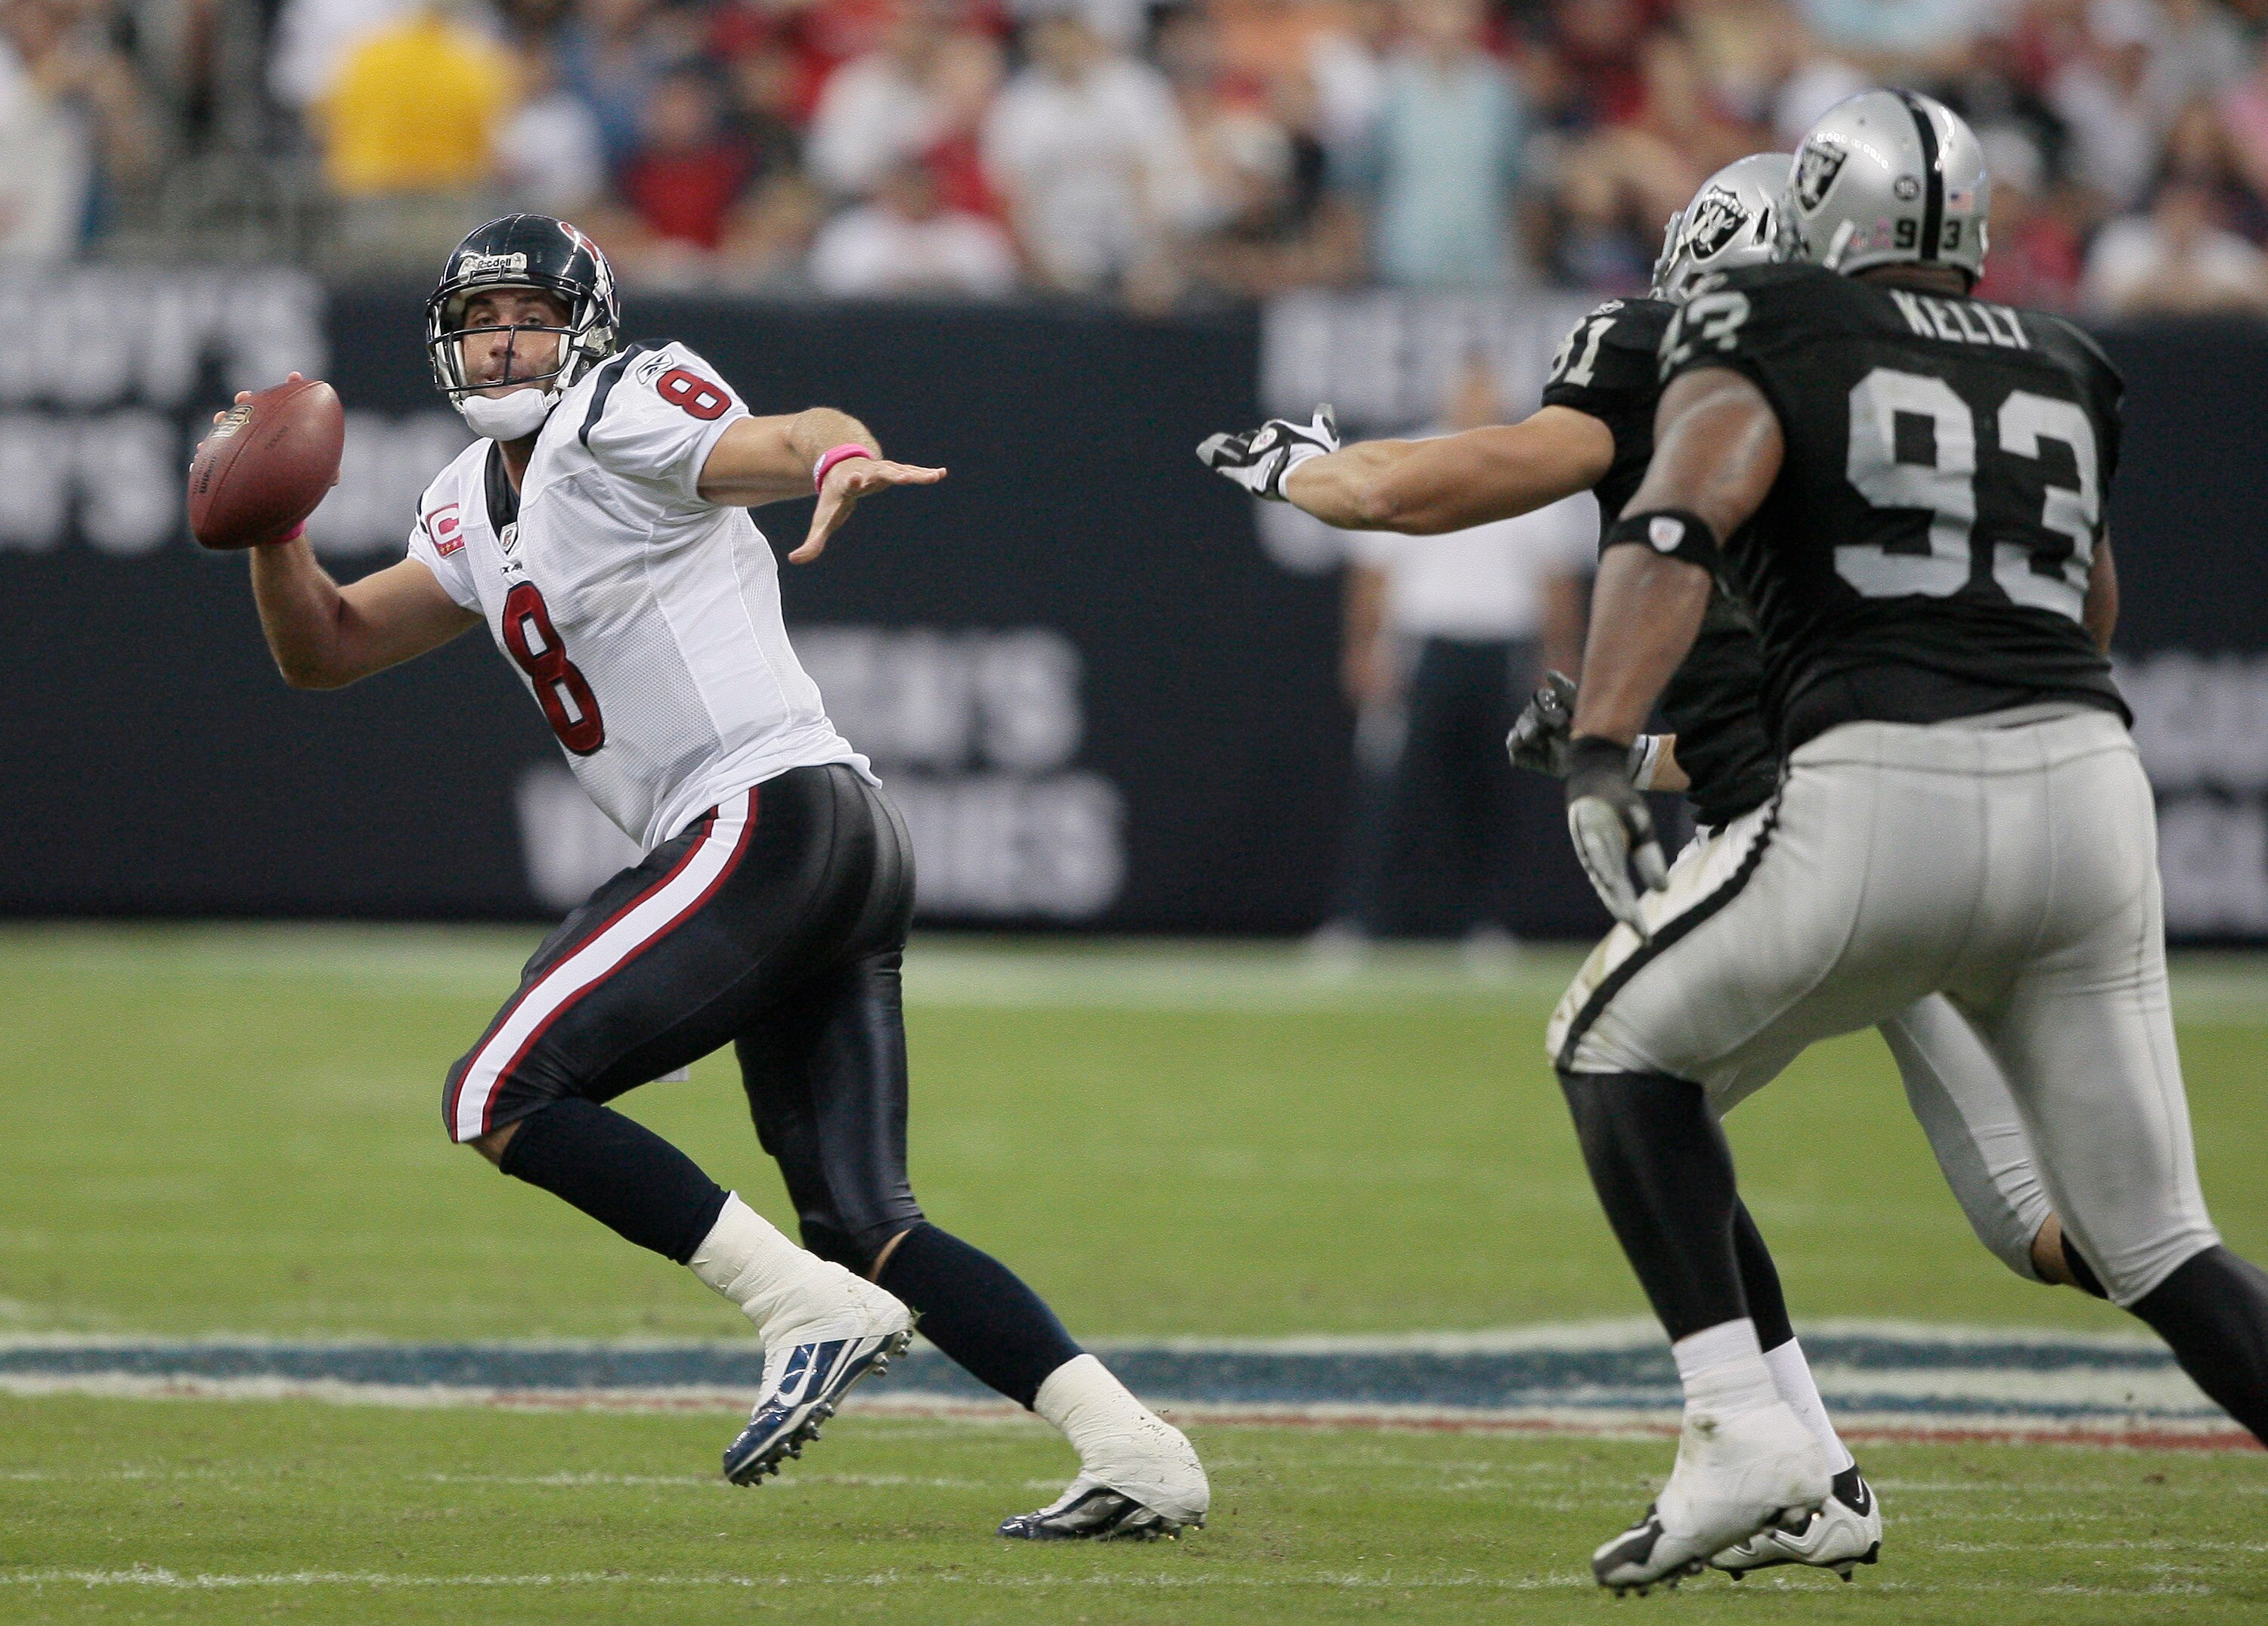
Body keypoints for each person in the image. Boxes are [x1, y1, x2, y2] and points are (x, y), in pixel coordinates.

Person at [1198, 150, 2111, 1584]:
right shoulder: (1880, 388)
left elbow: (1479, 476)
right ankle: (1817, 1469)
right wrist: (1636, 750)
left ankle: (1773, 1447)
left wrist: (1324, 473)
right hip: (1969, 801)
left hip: (1832, 834)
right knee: (2060, 1227)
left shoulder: (1680, 351)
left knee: (1642, 1081)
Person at [233, 214, 1208, 1541]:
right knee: (865, 1219)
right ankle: (1135, 1448)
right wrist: (272, 528)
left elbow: (791, 434)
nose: (503, 338)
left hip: (763, 812)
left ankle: (799, 1305)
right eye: (479, 321)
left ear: (585, 325)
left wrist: (843, 455)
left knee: (498, 1090)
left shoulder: (620, 407)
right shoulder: (465, 496)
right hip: (812, 837)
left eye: (526, 313)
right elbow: (330, 649)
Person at [1554, 90, 2268, 1590]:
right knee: (2159, 1244)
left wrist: (1606, 746)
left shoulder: (1775, 321)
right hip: (2087, 785)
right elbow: (2090, 607)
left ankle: (1752, 1428)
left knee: (1614, 1045)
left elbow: (1675, 523)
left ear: (1823, 211)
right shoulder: (2068, 359)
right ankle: (1777, 1444)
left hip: (1887, 780)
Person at [1320, 357, 1591, 953]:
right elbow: (1373, 569)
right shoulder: (1411, 457)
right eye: (1468, 390)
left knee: (1490, 789)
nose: (1476, 402)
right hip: (1423, 645)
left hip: (1502, 647)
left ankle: (1481, 922)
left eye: (1486, 391)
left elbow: (1556, 581)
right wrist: (1365, 646)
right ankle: (1360, 919)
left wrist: (1560, 659)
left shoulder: (1532, 466)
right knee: (1394, 790)